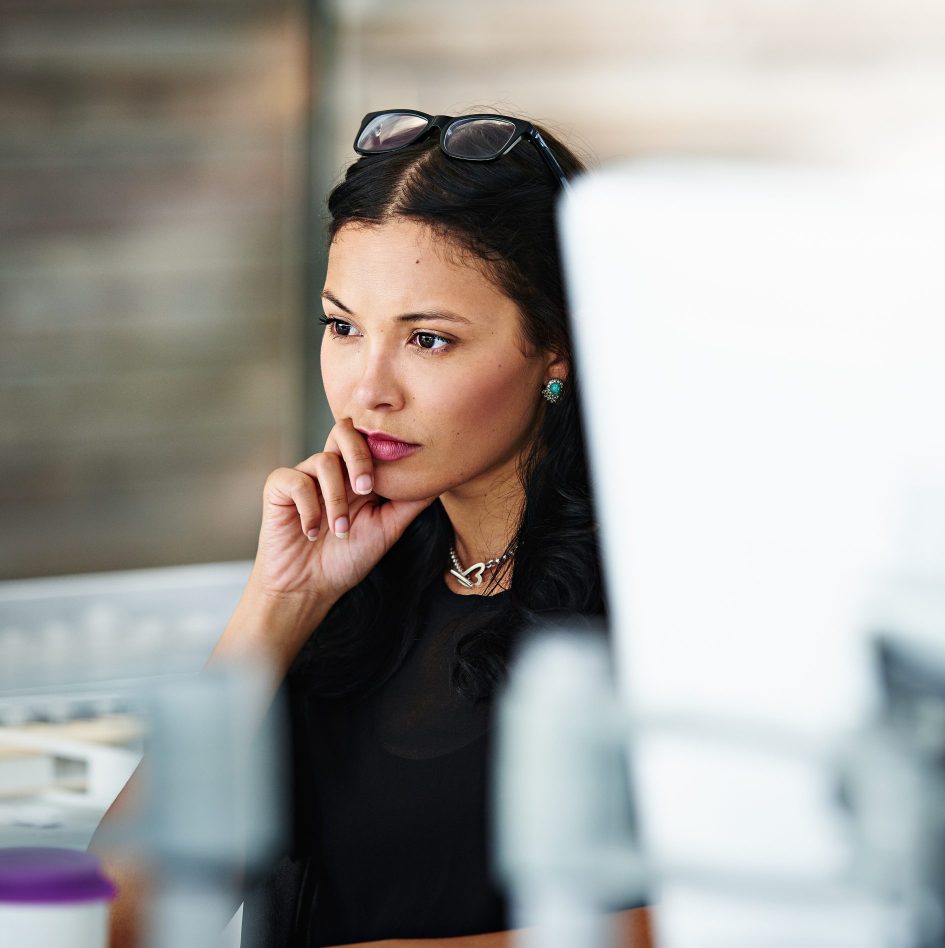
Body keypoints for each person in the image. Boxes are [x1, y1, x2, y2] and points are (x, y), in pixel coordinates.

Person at [92, 108, 653, 948]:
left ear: (557, 346)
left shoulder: (661, 606)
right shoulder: (350, 580)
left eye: (428, 340)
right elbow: (116, 918)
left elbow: (739, 924)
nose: (367, 390)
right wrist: (278, 606)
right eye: (343, 326)